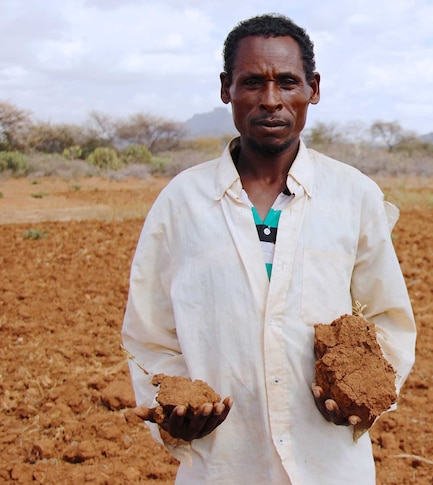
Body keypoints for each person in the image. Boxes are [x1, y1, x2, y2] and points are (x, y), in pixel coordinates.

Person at [122, 13, 416, 484]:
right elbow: (149, 332)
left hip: (329, 464)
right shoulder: (182, 202)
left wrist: (366, 397)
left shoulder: (352, 195)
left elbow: (388, 317)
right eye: (253, 82)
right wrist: (173, 403)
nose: (271, 100)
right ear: (226, 89)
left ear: (313, 89)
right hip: (224, 463)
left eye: (287, 82)